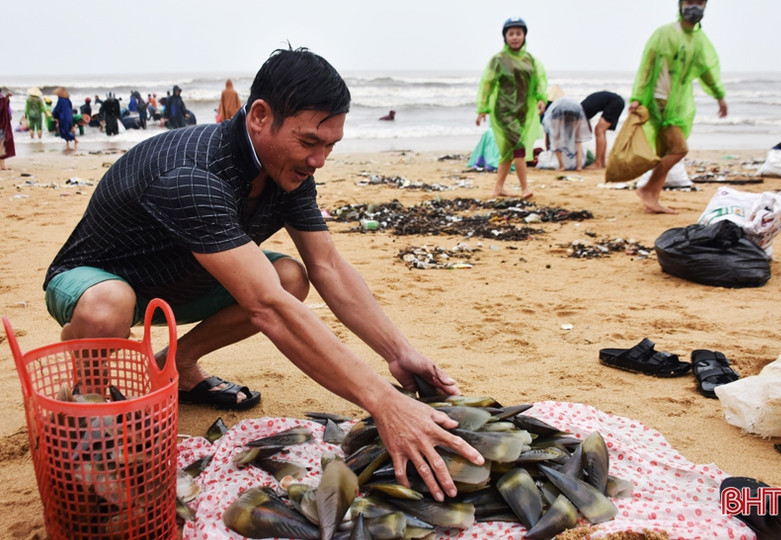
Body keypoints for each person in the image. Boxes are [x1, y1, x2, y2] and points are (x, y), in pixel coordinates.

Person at [42, 48, 484, 501]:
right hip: (93, 279)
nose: (319, 161)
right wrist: (384, 403)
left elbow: (327, 266)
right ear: (258, 116)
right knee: (109, 304)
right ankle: (87, 398)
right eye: (310, 142)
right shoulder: (192, 173)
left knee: (290, 276)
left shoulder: (285, 169)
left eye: (330, 146)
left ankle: (176, 364)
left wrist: (398, 352)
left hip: (180, 284)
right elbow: (266, 308)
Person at [629, 0, 727, 214]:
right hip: (658, 100)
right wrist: (637, 97)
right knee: (679, 149)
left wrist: (719, 96)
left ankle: (652, 197)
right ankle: (647, 190)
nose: (695, 7)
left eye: (700, 3)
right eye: (690, 2)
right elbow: (646, 65)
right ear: (681, 5)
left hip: (677, 105)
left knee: (665, 150)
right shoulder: (664, 34)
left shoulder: (699, 40)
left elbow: (706, 71)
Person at [476, 17, 547, 199]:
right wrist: (482, 108)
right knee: (519, 147)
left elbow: (540, 81)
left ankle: (498, 188)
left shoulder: (531, 60)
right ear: (505, 37)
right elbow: (487, 84)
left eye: (518, 33)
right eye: (511, 34)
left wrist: (541, 98)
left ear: (524, 36)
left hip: (523, 111)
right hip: (503, 111)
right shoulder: (498, 60)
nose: (515, 37)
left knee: (508, 151)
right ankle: (525, 188)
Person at [542, 95, 592, 171]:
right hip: (575, 114)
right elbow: (578, 142)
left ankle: (562, 166)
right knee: (577, 139)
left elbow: (553, 140)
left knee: (556, 138)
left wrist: (548, 150)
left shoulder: (555, 108)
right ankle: (579, 166)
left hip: (558, 118)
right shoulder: (572, 104)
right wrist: (579, 165)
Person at [580, 91, 625, 169]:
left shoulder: (580, 112)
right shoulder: (583, 109)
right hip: (617, 101)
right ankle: (602, 162)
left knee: (599, 130)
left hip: (614, 102)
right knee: (600, 131)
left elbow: (587, 131)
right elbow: (588, 130)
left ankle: (598, 163)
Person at [0, 89, 15, 170]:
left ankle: (2, 165)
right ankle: (2, 166)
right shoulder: (2, 99)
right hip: (1, 126)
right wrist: (6, 97)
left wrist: (6, 98)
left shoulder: (2, 99)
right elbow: (3, 107)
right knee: (1, 145)